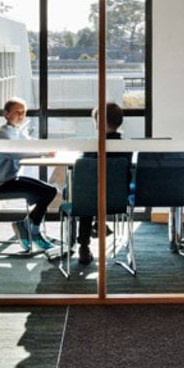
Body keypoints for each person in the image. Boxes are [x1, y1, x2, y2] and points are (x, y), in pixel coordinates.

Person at [0, 97, 57, 255]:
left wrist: (50, 147)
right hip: (1, 183)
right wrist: (44, 153)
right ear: (6, 113)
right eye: (17, 112)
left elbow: (30, 143)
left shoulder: (16, 131)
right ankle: (31, 230)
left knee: (49, 192)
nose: (21, 116)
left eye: (23, 113)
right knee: (48, 192)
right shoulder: (2, 134)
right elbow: (16, 152)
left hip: (11, 179)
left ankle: (28, 226)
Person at [71, 103, 124, 266]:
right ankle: (99, 223)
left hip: (91, 197)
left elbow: (84, 170)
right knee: (94, 193)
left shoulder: (93, 147)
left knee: (86, 196)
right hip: (117, 198)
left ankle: (83, 245)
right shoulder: (125, 147)